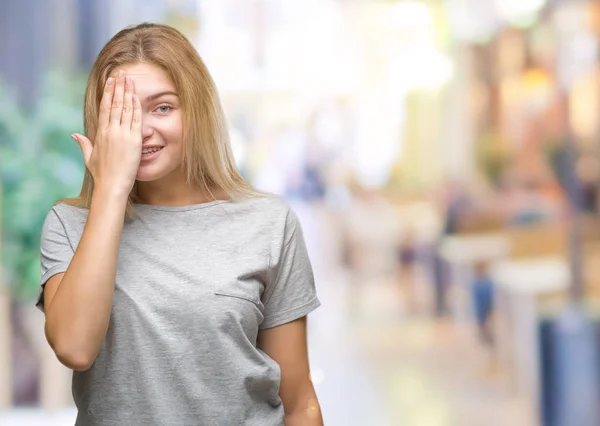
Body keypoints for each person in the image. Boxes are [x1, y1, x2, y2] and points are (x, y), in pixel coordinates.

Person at [36, 23, 322, 426]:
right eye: (124, 112)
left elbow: (298, 403)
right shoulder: (69, 224)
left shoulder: (269, 223)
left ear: (197, 110)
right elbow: (74, 347)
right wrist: (111, 190)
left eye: (163, 107)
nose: (143, 129)